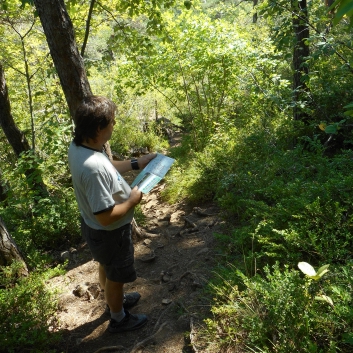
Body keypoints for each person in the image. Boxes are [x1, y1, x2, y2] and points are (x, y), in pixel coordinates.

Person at [68, 95, 156, 333]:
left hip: (96, 231)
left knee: (107, 266)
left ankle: (113, 300)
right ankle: (118, 318)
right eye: (112, 122)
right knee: (116, 276)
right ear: (99, 128)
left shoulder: (81, 147)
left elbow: (108, 165)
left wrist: (138, 162)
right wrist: (132, 201)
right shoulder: (92, 168)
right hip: (110, 232)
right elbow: (105, 216)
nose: (114, 125)